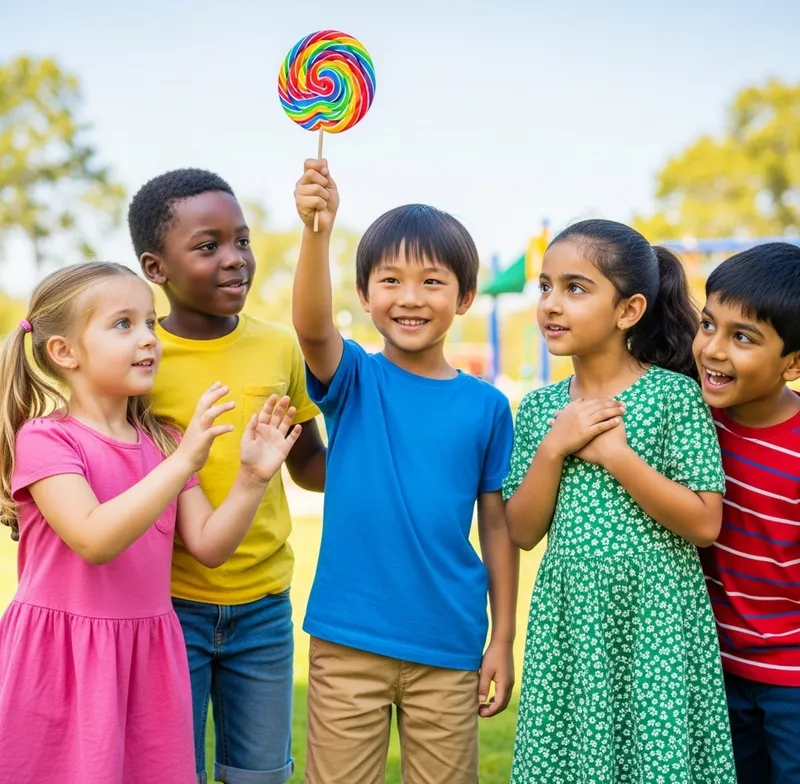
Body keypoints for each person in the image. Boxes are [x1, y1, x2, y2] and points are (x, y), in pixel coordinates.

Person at [0, 261, 302, 784]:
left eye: (149, 322)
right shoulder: (46, 439)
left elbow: (209, 545)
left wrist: (253, 478)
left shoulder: (162, 441)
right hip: (63, 656)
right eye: (123, 324)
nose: (147, 338)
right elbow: (94, 537)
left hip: (149, 655)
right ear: (65, 352)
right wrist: (183, 462)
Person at [293, 158, 519, 784]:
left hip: (448, 644)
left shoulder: (488, 407)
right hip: (348, 639)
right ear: (364, 295)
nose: (411, 297)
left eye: (432, 281)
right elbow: (310, 326)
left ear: (465, 297)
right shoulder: (354, 378)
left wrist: (502, 639)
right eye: (390, 280)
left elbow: (497, 527)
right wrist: (316, 231)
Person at [503, 219, 736, 782]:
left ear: (628, 310)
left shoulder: (673, 396)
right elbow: (522, 531)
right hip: (571, 621)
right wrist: (554, 448)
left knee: (655, 759)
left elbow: (705, 523)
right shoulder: (539, 410)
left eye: (575, 288)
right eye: (545, 286)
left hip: (656, 619)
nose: (551, 304)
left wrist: (618, 457)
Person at [128, 168, 325, 784]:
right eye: (207, 246)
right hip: (166, 607)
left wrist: (387, 452)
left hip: (263, 609)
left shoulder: (279, 347)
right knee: (170, 771)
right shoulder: (139, 360)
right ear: (156, 268)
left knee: (261, 774)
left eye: (241, 240)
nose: (235, 258)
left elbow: (310, 465)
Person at [694, 242, 800, 783]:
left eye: (743, 337)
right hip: (715, 669)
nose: (713, 349)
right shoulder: (693, 425)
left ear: (794, 362)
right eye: (708, 324)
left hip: (793, 681)